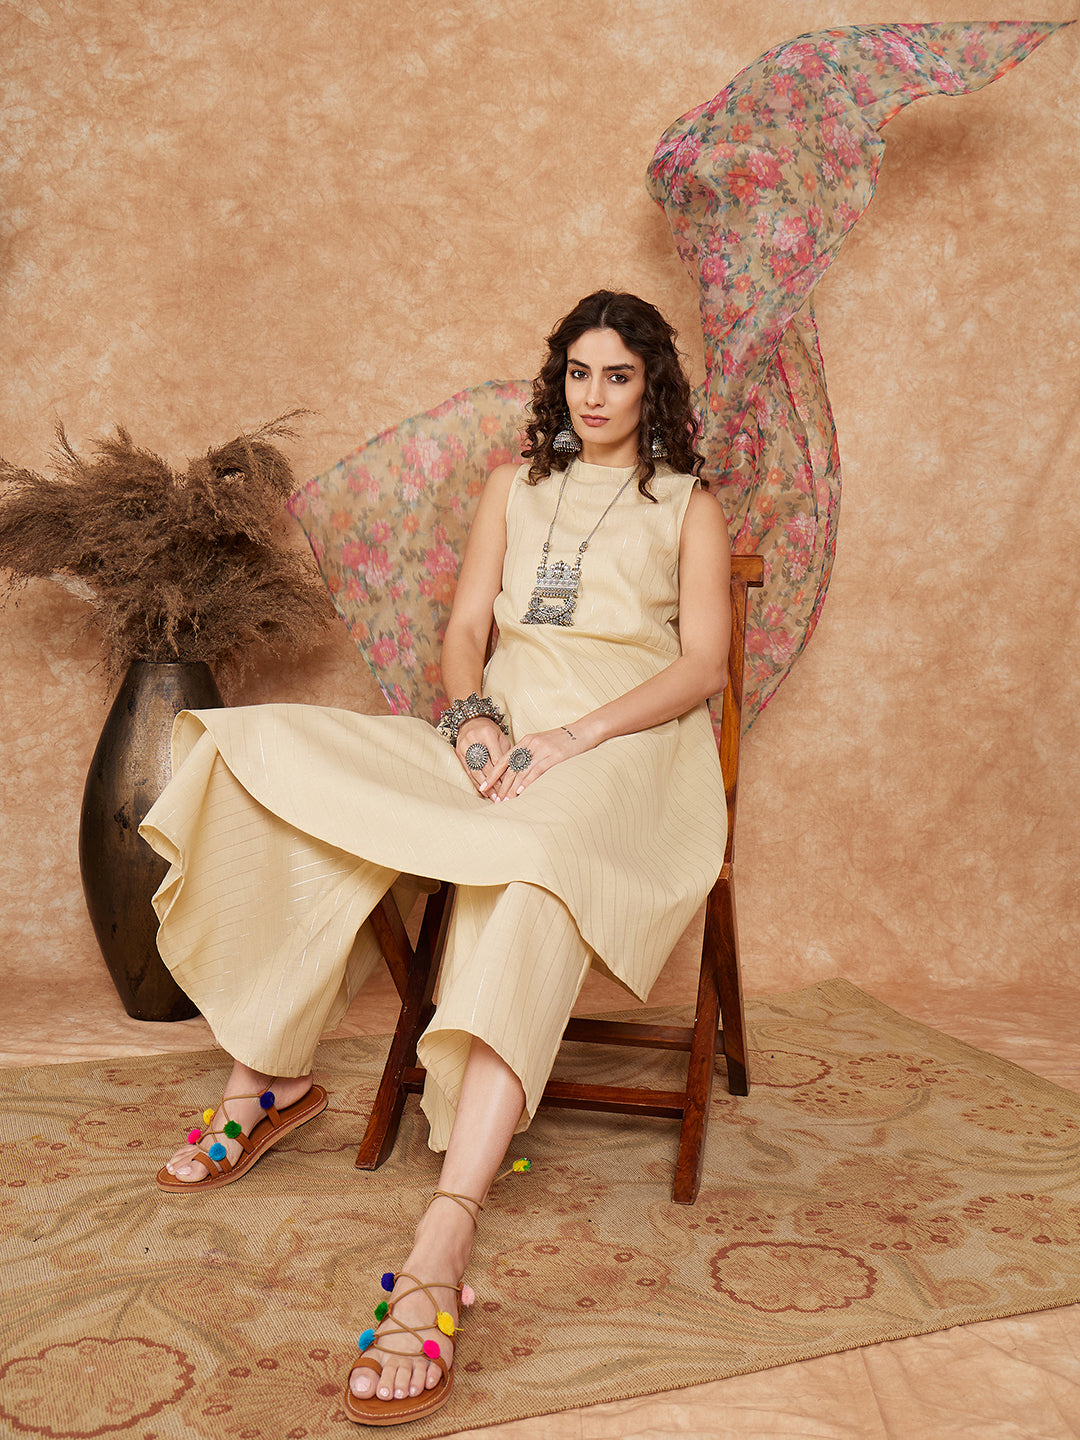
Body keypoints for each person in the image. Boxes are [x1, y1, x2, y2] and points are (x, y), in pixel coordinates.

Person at [142, 289, 732, 1426]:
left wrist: (571, 739)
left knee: (536, 865)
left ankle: (447, 1230)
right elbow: (466, 631)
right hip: (497, 740)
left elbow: (701, 666)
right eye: (578, 373)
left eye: (618, 375)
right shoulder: (512, 487)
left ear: (651, 386)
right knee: (262, 752)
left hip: (626, 755)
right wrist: (472, 723)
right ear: (558, 381)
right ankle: (266, 1074)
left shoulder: (688, 506)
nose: (595, 395)